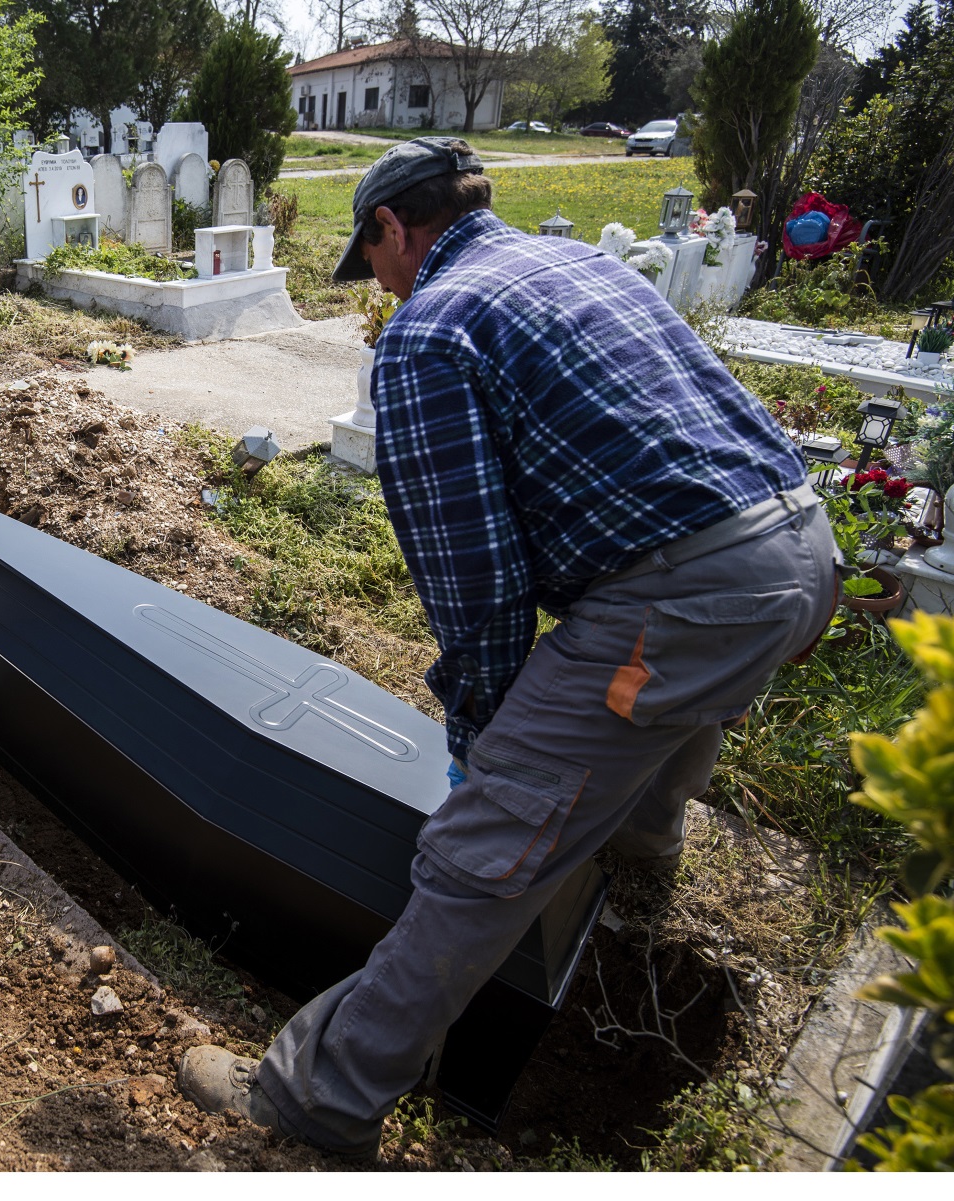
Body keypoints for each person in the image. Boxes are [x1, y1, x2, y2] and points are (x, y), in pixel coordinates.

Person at [177, 138, 836, 1153]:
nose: (381, 283)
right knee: (666, 721)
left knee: (479, 852)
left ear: (394, 227)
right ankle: (630, 900)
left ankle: (318, 1096)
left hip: (687, 598)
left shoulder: (430, 332)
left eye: (375, 259)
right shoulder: (578, 266)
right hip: (795, 551)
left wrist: (487, 740)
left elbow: (474, 581)